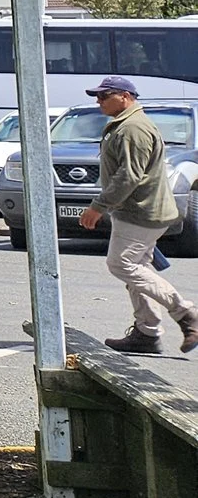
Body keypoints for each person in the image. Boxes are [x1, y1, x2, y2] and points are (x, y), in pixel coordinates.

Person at [78, 76, 198, 354]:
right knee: (137, 270)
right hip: (137, 209)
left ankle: (186, 313)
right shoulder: (125, 123)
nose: (98, 101)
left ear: (125, 96)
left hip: (141, 211)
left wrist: (98, 206)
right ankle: (147, 332)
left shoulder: (133, 128)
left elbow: (129, 176)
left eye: (104, 95)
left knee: (121, 265)